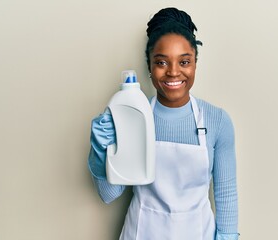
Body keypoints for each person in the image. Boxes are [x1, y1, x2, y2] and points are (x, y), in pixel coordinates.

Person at [88, 7, 239, 240]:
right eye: (161, 62)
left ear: (195, 64)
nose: (173, 72)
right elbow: (108, 194)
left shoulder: (217, 121)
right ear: (149, 66)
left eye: (184, 61)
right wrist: (100, 148)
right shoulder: (133, 118)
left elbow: (226, 195)